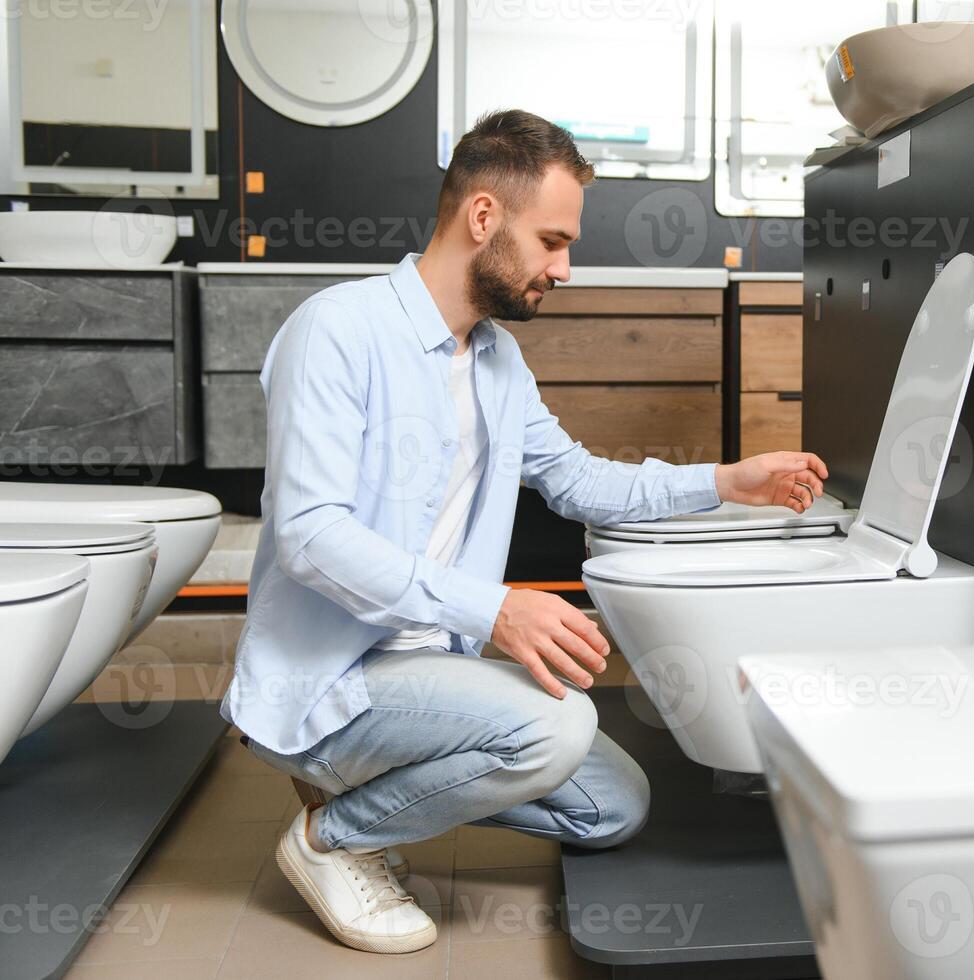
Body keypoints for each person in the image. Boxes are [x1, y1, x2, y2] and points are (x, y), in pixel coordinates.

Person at [220, 109, 828, 954]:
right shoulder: (338, 331)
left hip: (430, 668)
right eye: (551, 240)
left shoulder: (498, 359)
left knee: (614, 806)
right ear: (482, 218)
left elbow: (577, 479)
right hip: (333, 677)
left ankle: (373, 799)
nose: (564, 268)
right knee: (557, 726)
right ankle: (333, 840)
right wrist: (496, 610)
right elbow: (311, 536)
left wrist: (726, 481)